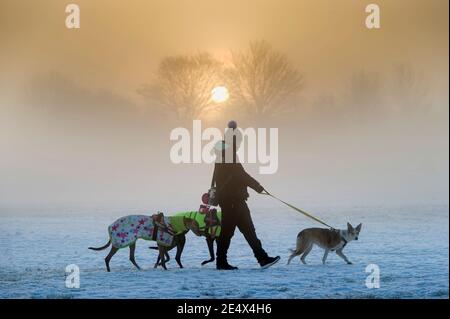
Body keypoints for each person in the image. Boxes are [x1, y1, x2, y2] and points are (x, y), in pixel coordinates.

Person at [213, 121, 280, 270]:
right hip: (231, 200)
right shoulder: (228, 154)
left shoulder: (225, 153)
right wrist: (258, 187)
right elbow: (241, 175)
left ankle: (262, 258)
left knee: (249, 231)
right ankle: (221, 262)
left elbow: (238, 175)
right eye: (239, 140)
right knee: (226, 233)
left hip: (237, 199)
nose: (240, 144)